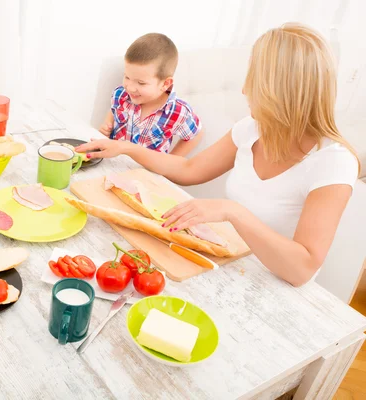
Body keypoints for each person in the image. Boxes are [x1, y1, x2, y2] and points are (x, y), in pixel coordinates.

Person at [77, 23, 360, 287]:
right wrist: (126, 148)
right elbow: (189, 169)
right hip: (230, 265)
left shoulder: (333, 162)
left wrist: (232, 212)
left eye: (254, 80)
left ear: (281, 91)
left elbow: (302, 269)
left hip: (277, 285)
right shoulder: (253, 128)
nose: (244, 89)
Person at [98, 33, 204, 156]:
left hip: (147, 172)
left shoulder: (178, 112)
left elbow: (195, 135)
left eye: (141, 83)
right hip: (114, 162)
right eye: (127, 77)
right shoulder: (120, 94)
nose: (130, 88)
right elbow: (114, 109)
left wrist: (171, 161)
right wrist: (107, 126)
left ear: (165, 84)